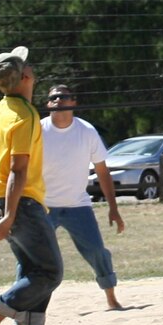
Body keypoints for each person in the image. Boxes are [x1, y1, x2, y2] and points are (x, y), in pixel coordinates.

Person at [0, 46, 62, 325]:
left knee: (32, 272)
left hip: (6, 200)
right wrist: (10, 215)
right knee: (50, 273)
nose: (34, 70)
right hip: (20, 203)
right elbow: (18, 169)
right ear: (25, 77)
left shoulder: (4, 108)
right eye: (30, 67)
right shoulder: (24, 116)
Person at [40, 84, 126, 310]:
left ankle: (111, 298)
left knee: (97, 251)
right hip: (43, 205)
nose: (59, 100)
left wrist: (113, 208)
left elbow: (102, 171)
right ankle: (23, 303)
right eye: (54, 98)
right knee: (34, 256)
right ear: (48, 104)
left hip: (78, 205)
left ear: (73, 102)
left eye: (63, 97)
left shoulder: (86, 131)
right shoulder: (37, 130)